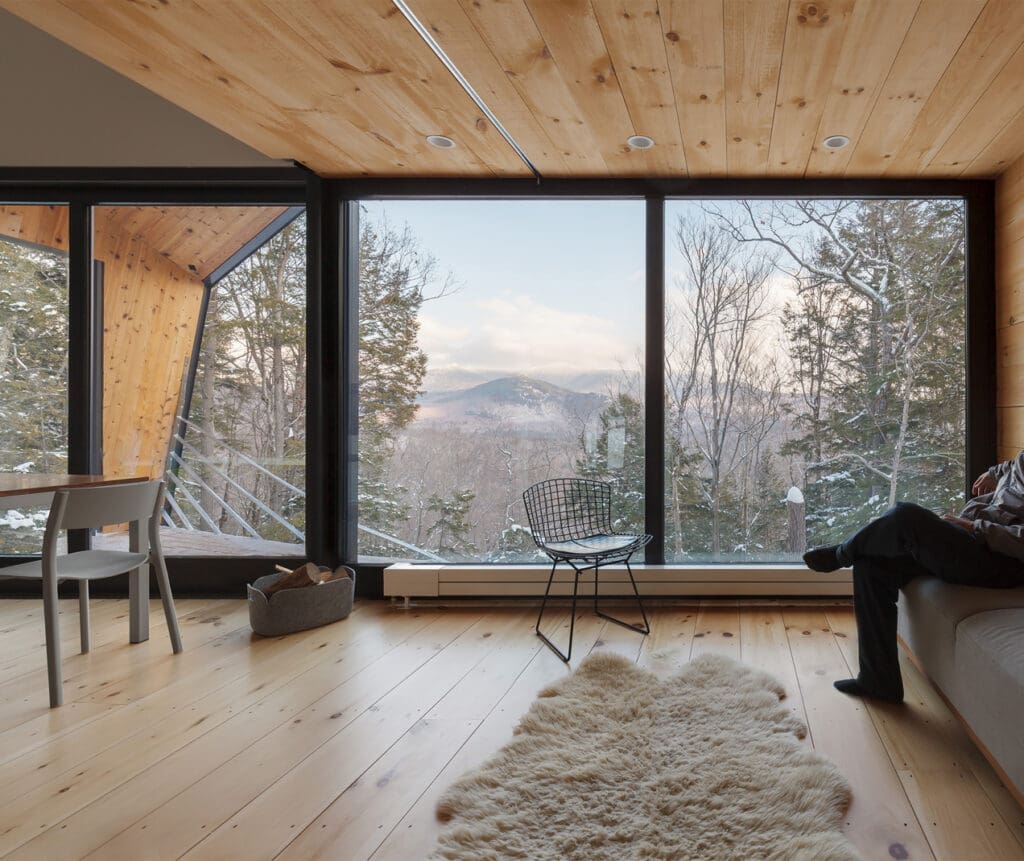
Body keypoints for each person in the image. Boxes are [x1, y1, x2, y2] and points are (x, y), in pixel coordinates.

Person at [803, 451, 1024, 703]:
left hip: (999, 559)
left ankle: (842, 554)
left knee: (905, 515)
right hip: (975, 539)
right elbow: (1014, 466)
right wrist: (994, 473)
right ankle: (878, 681)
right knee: (870, 563)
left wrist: (975, 527)